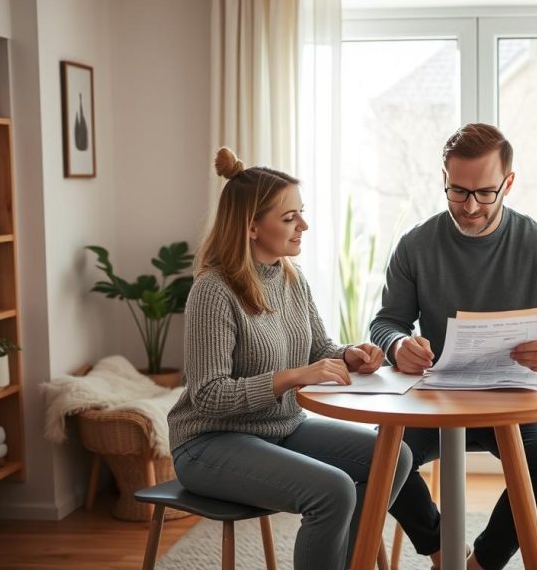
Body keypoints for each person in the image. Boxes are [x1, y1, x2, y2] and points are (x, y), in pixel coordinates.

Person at [168, 147, 412, 570]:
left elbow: (319, 349)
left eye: (301, 213)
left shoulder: (289, 276)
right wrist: (290, 378)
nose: (304, 226)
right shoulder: (214, 291)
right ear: (251, 226)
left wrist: (351, 356)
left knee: (396, 456)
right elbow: (207, 395)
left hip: (280, 428)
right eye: (289, 218)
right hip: (208, 442)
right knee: (333, 490)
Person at [371, 123, 537, 570]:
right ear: (444, 180)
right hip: (436, 399)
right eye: (458, 192)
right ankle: (441, 552)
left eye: (485, 193)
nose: (470, 206)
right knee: (376, 457)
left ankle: (481, 565)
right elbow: (386, 322)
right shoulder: (417, 245)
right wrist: (398, 345)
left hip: (514, 401)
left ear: (508, 184)